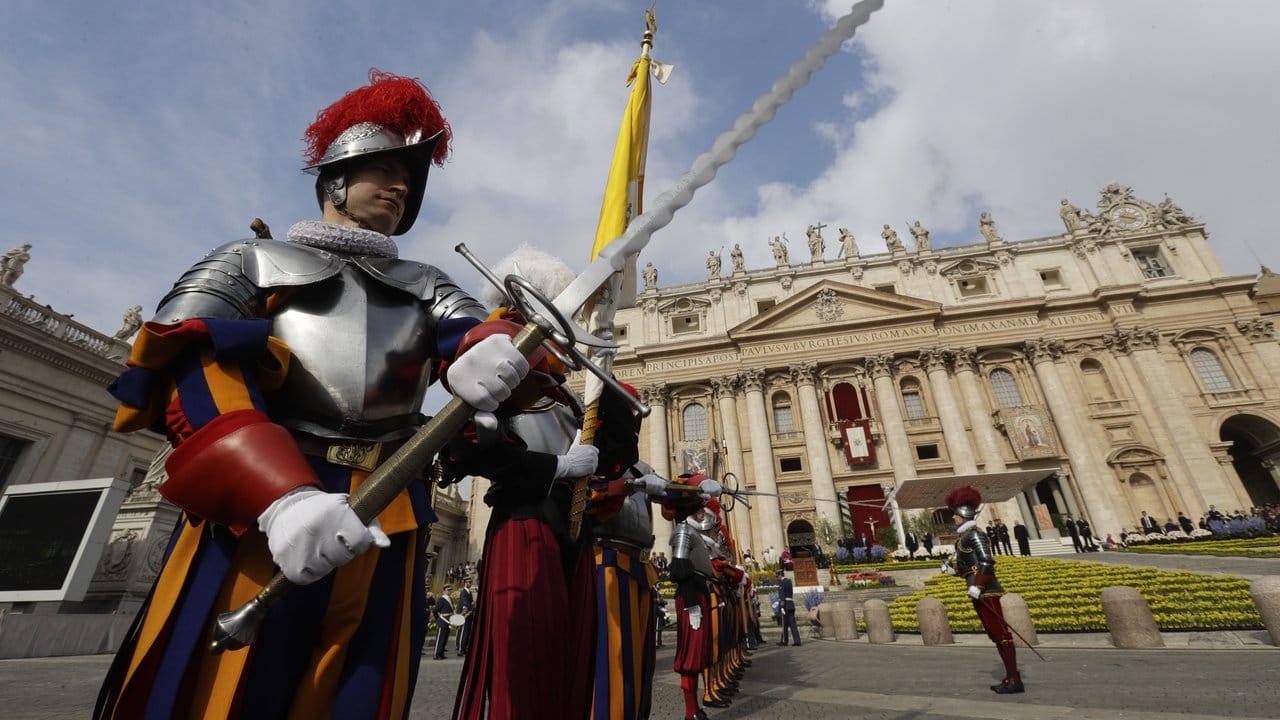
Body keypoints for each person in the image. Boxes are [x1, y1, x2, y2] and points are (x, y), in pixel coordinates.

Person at [95, 70, 531, 720]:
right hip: (261, 507)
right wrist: (278, 495)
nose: (401, 184)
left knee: (360, 693)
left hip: (389, 512)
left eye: (409, 177)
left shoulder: (427, 282)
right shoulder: (247, 261)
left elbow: (474, 335)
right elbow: (194, 372)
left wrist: (491, 351)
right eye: (383, 168)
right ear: (334, 179)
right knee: (225, 692)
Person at [942, 485, 1023, 694]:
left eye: (955, 515)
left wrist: (978, 586)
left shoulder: (976, 535)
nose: (953, 519)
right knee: (994, 634)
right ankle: (1010, 676)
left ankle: (1014, 679)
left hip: (986, 589)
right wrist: (951, 570)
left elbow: (987, 562)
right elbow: (967, 567)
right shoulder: (964, 537)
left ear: (963, 514)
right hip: (976, 588)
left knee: (1000, 633)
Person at [775, 568, 801, 647]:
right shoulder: (789, 582)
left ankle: (784, 641)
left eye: (777, 576)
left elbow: (782, 595)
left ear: (779, 575)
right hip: (791, 604)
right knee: (792, 624)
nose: (777, 578)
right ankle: (797, 641)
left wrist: (782, 606)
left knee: (784, 624)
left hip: (785, 605)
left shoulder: (782, 583)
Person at [434, 585, 457, 660]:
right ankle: (436, 654)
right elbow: (435, 610)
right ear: (444, 591)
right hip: (442, 620)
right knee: (440, 638)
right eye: (448, 590)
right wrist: (438, 619)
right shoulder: (441, 599)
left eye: (450, 590)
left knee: (445, 638)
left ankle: (441, 653)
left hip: (448, 621)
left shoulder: (450, 598)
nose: (449, 591)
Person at [456, 578, 474, 656]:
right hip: (464, 614)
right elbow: (465, 602)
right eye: (469, 582)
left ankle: (464, 649)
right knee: (463, 632)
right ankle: (460, 650)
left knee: (467, 632)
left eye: (471, 582)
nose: (470, 583)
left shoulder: (469, 592)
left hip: (469, 614)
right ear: (465, 583)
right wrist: (472, 605)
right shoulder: (464, 592)